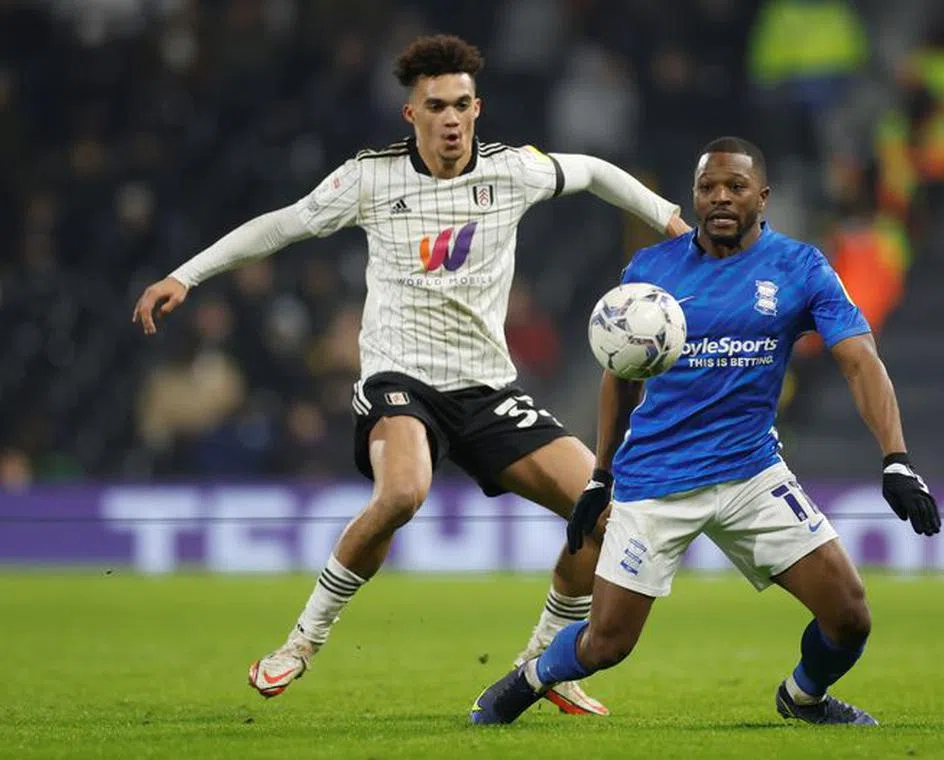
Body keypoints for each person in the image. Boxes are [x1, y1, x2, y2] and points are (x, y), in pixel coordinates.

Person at [132, 34, 688, 716]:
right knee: (403, 492)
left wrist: (666, 218)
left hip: (487, 388)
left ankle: (540, 666)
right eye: (435, 106)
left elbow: (597, 171)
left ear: (477, 108)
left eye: (461, 105)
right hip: (402, 379)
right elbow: (282, 226)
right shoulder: (370, 178)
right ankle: (300, 643)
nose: (450, 119)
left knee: (601, 516)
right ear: (411, 114)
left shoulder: (514, 171)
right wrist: (186, 275)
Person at [470, 136, 941, 726]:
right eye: (707, 187)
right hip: (655, 480)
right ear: (693, 196)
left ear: (762, 197)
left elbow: (860, 360)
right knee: (606, 645)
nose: (719, 198)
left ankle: (803, 698)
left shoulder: (799, 267)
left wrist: (896, 457)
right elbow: (620, 376)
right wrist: (601, 473)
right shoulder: (651, 269)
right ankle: (533, 675)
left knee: (849, 616)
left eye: (735, 187)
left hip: (751, 474)